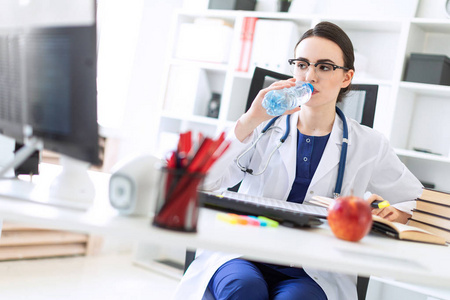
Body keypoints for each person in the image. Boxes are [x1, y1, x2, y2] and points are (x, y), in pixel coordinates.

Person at [173, 21, 423, 300]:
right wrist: (250, 119)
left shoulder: (369, 144)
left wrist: (400, 213)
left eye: (324, 67)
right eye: (302, 64)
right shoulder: (262, 127)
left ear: (346, 77)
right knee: (244, 289)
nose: (310, 75)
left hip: (314, 268)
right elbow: (202, 182)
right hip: (244, 252)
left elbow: (420, 200)